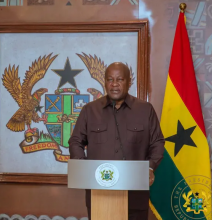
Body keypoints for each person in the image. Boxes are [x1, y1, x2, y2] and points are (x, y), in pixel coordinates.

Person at [68, 62, 165, 220]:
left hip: (135, 195)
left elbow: (158, 143)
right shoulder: (89, 110)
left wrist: (150, 168)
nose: (114, 84)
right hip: (99, 195)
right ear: (104, 82)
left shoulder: (145, 110)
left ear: (129, 82)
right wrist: (82, 167)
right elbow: (75, 141)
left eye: (119, 79)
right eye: (109, 79)